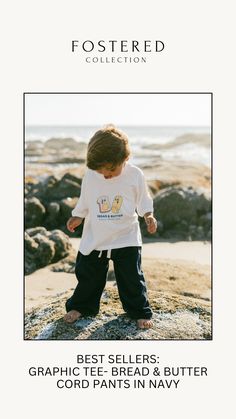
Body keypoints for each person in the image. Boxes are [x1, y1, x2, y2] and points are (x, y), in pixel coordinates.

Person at [64, 125, 157, 329]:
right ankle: (81, 306)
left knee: (132, 277)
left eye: (111, 169)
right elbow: (86, 199)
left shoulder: (135, 174)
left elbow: (143, 199)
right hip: (97, 235)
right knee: (88, 274)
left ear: (124, 159)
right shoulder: (90, 174)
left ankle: (139, 311)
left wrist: (148, 215)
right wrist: (78, 216)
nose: (105, 174)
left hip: (126, 235)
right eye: (100, 170)